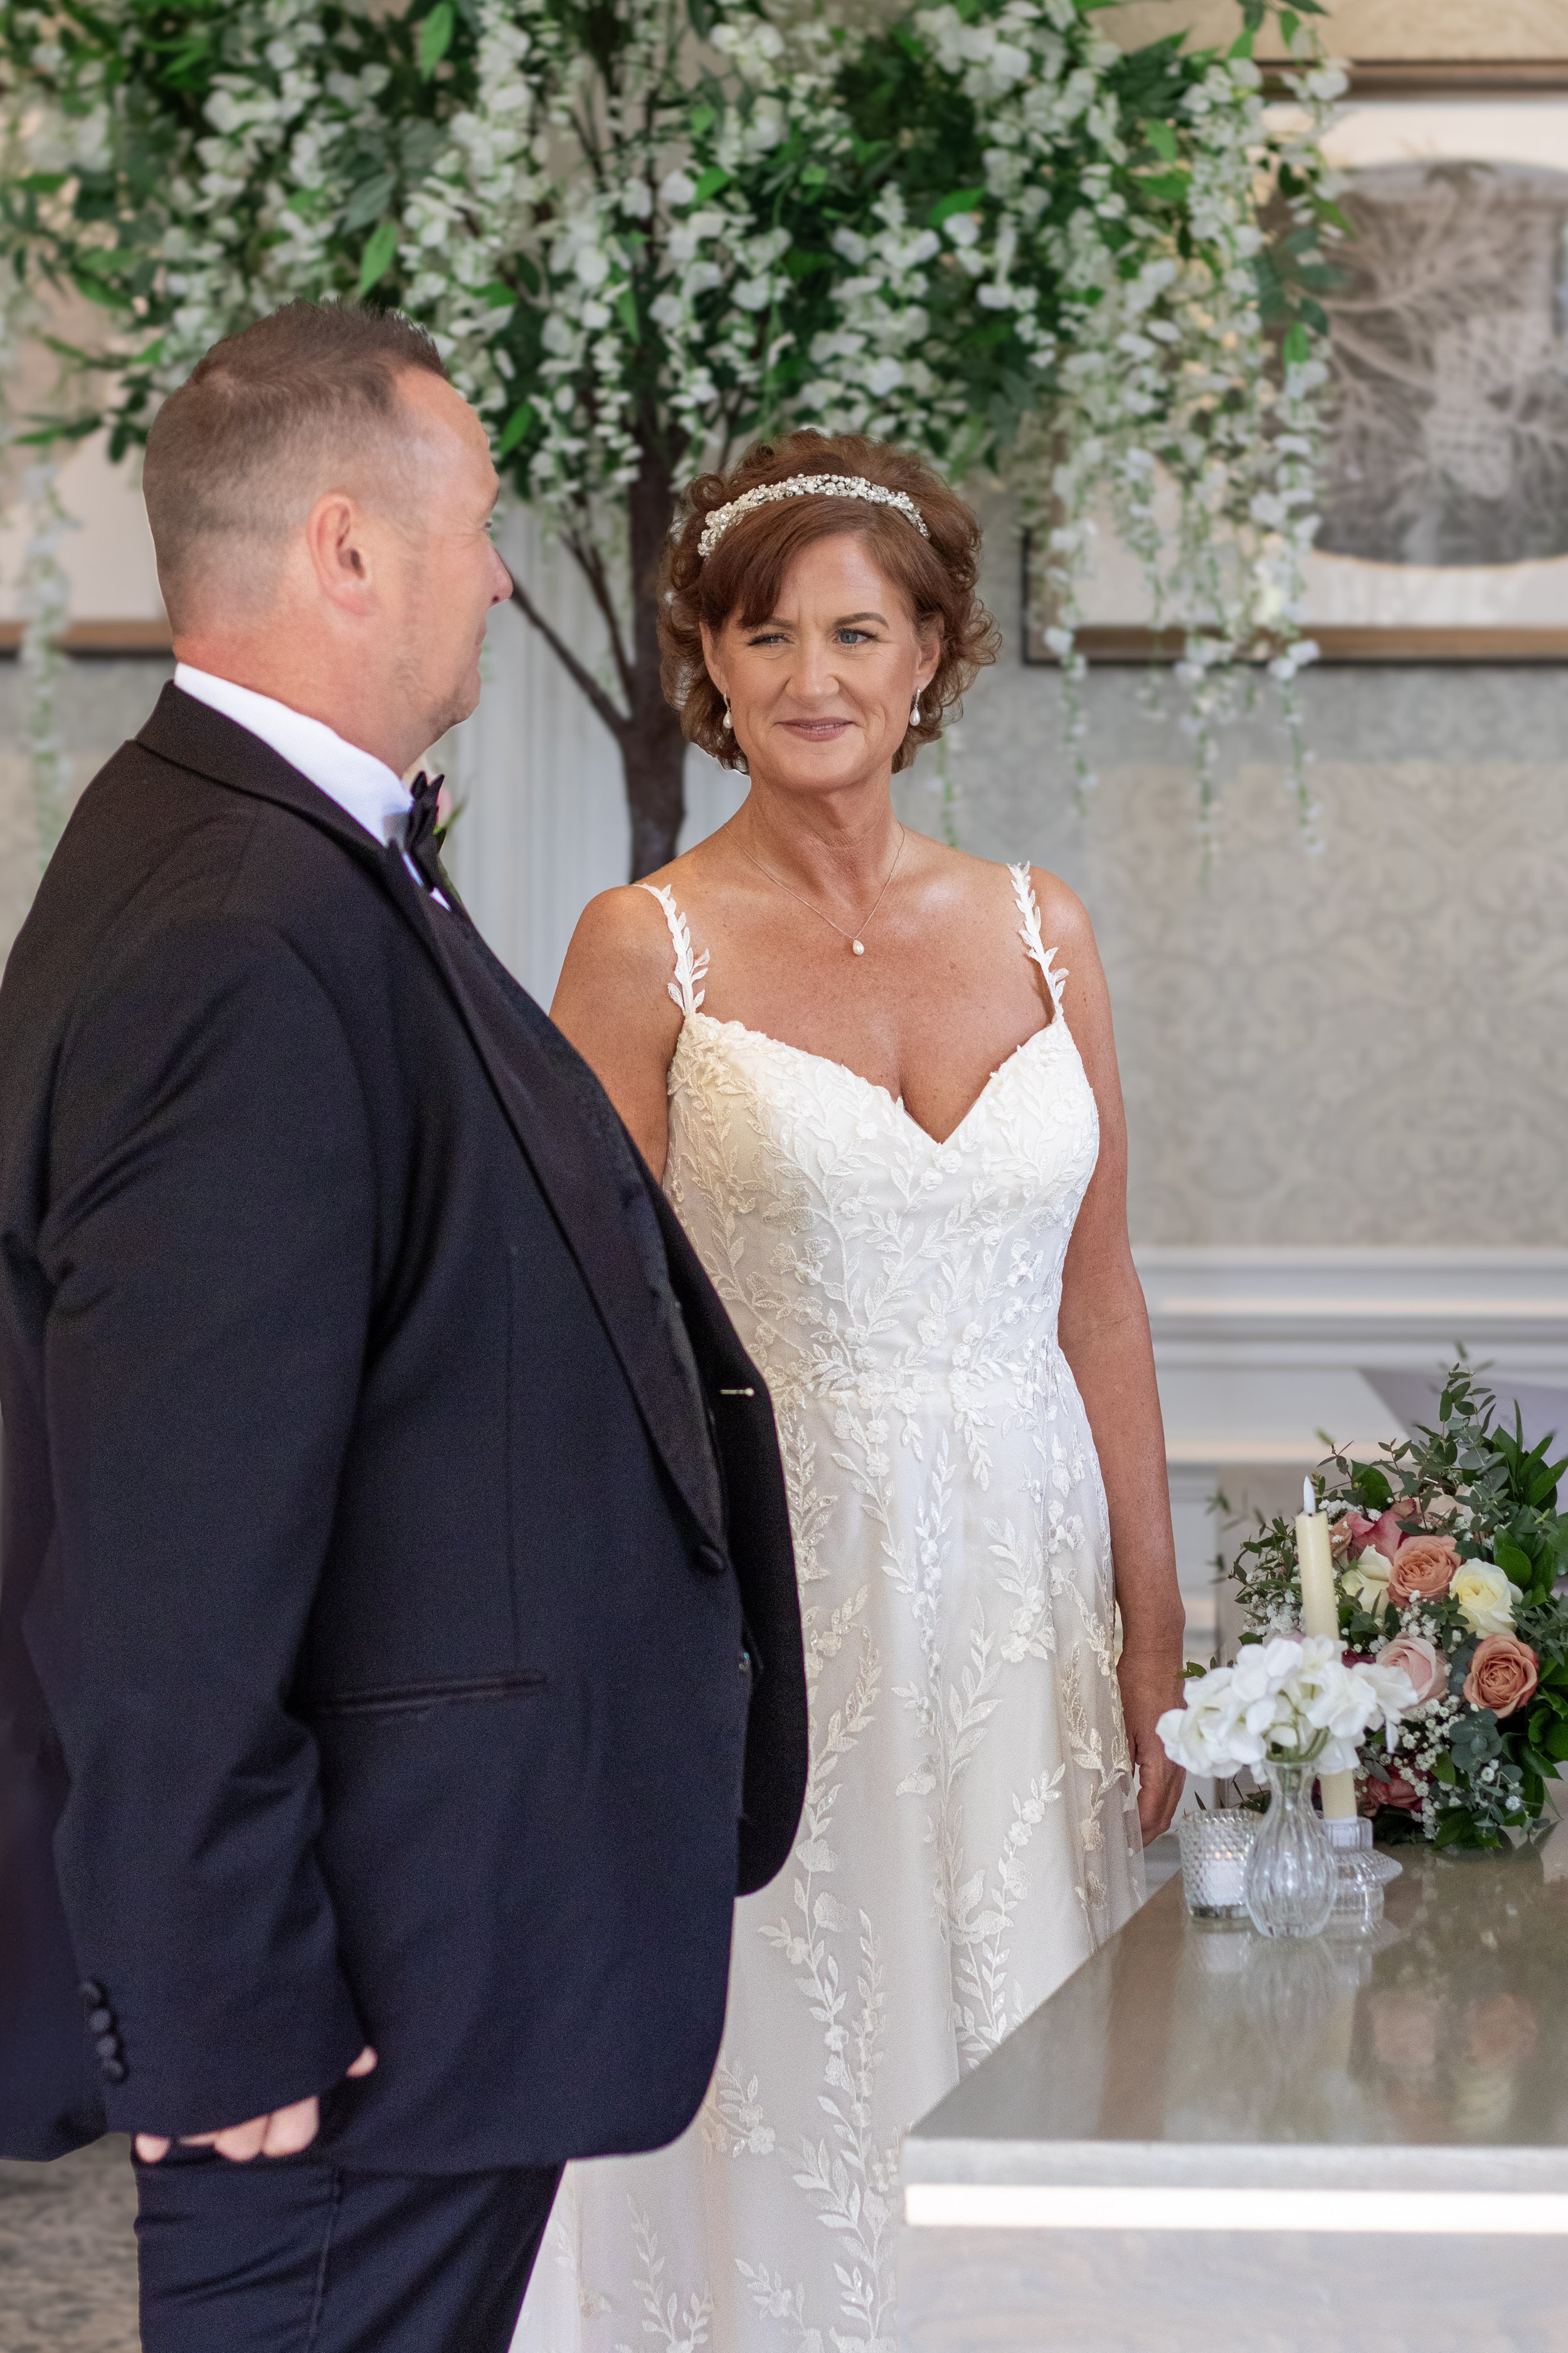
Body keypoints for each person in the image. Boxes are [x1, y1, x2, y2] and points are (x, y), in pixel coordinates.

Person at [0, 302, 807, 2353]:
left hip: (433, 1962)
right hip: (337, 2031)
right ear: (348, 548)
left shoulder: (270, 856)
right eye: (481, 526)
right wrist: (222, 1998)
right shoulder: (233, 930)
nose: (504, 573)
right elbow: (159, 1545)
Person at [532, 431, 1187, 2350]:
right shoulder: (638, 948)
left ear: (929, 658)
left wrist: (1156, 1631)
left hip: (1029, 1586)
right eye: (765, 636)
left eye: (855, 632)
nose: (811, 678)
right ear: (710, 669)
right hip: (776, 1589)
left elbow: (1102, 1305)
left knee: (1024, 2003)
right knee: (802, 2029)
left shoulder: (1042, 928)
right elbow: (576, 1340)